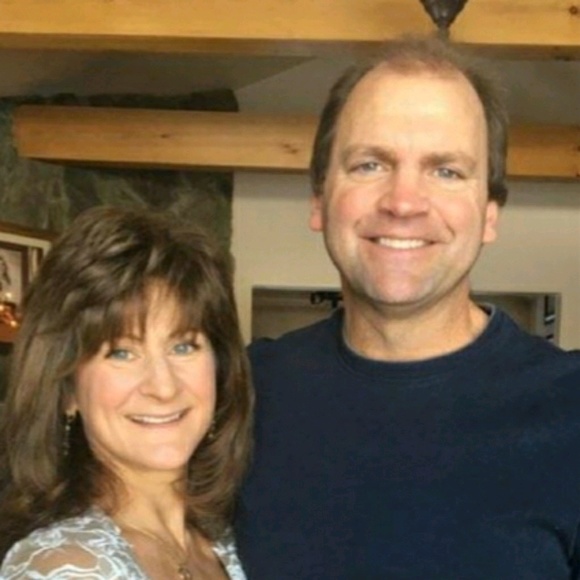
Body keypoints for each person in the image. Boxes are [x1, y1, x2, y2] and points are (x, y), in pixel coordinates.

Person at [235, 35, 580, 578]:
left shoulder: (571, 407)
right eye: (370, 164)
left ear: (490, 214)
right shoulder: (240, 395)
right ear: (319, 200)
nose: (403, 202)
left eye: (446, 171)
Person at [0, 206, 253, 579]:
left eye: (183, 346)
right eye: (121, 353)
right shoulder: (64, 568)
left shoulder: (227, 542)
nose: (163, 387)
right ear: (67, 389)